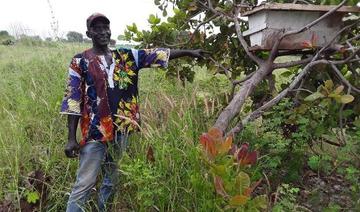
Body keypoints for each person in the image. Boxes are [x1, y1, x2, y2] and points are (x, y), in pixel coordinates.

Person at [60, 13, 206, 212]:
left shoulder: (127, 56)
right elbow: (73, 99)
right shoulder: (80, 61)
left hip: (123, 129)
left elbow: (159, 54)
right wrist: (71, 138)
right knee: (84, 184)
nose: (102, 31)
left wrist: (189, 51)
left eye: (105, 27)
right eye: (97, 28)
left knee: (111, 179)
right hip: (95, 132)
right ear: (89, 33)